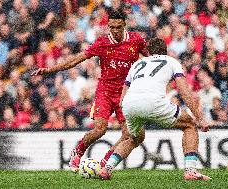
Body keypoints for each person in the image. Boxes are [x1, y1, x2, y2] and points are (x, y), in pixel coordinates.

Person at [31, 11, 148, 173]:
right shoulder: (102, 43)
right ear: (108, 26)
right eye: (112, 27)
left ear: (124, 25)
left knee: (128, 136)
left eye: (118, 27)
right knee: (100, 129)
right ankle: (78, 150)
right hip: (105, 92)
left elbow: (151, 59)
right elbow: (78, 58)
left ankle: (106, 162)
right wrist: (50, 70)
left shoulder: (136, 40)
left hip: (125, 94)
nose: (115, 30)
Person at [98, 38, 211, 181]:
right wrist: (200, 118)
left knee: (134, 138)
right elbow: (184, 91)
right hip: (153, 102)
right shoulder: (171, 61)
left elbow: (122, 98)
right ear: (165, 51)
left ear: (148, 52)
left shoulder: (137, 64)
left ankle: (106, 169)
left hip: (129, 103)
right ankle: (190, 171)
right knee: (189, 125)